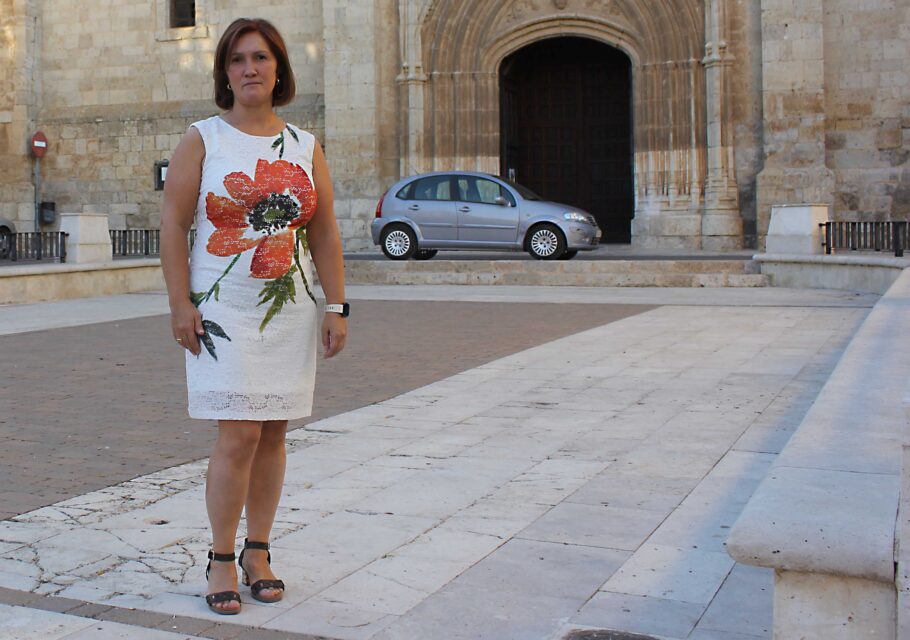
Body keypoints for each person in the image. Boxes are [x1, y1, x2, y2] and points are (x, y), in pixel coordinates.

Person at [159, 17, 348, 615]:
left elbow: (324, 230)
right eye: (237, 59)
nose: (249, 69)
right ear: (225, 73)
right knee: (237, 432)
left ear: (278, 68)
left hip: (287, 309)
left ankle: (258, 552)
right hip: (222, 311)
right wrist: (179, 301)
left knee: (273, 433)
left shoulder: (304, 145)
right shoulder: (203, 139)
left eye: (260, 58)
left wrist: (337, 305)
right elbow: (174, 222)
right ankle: (220, 557)